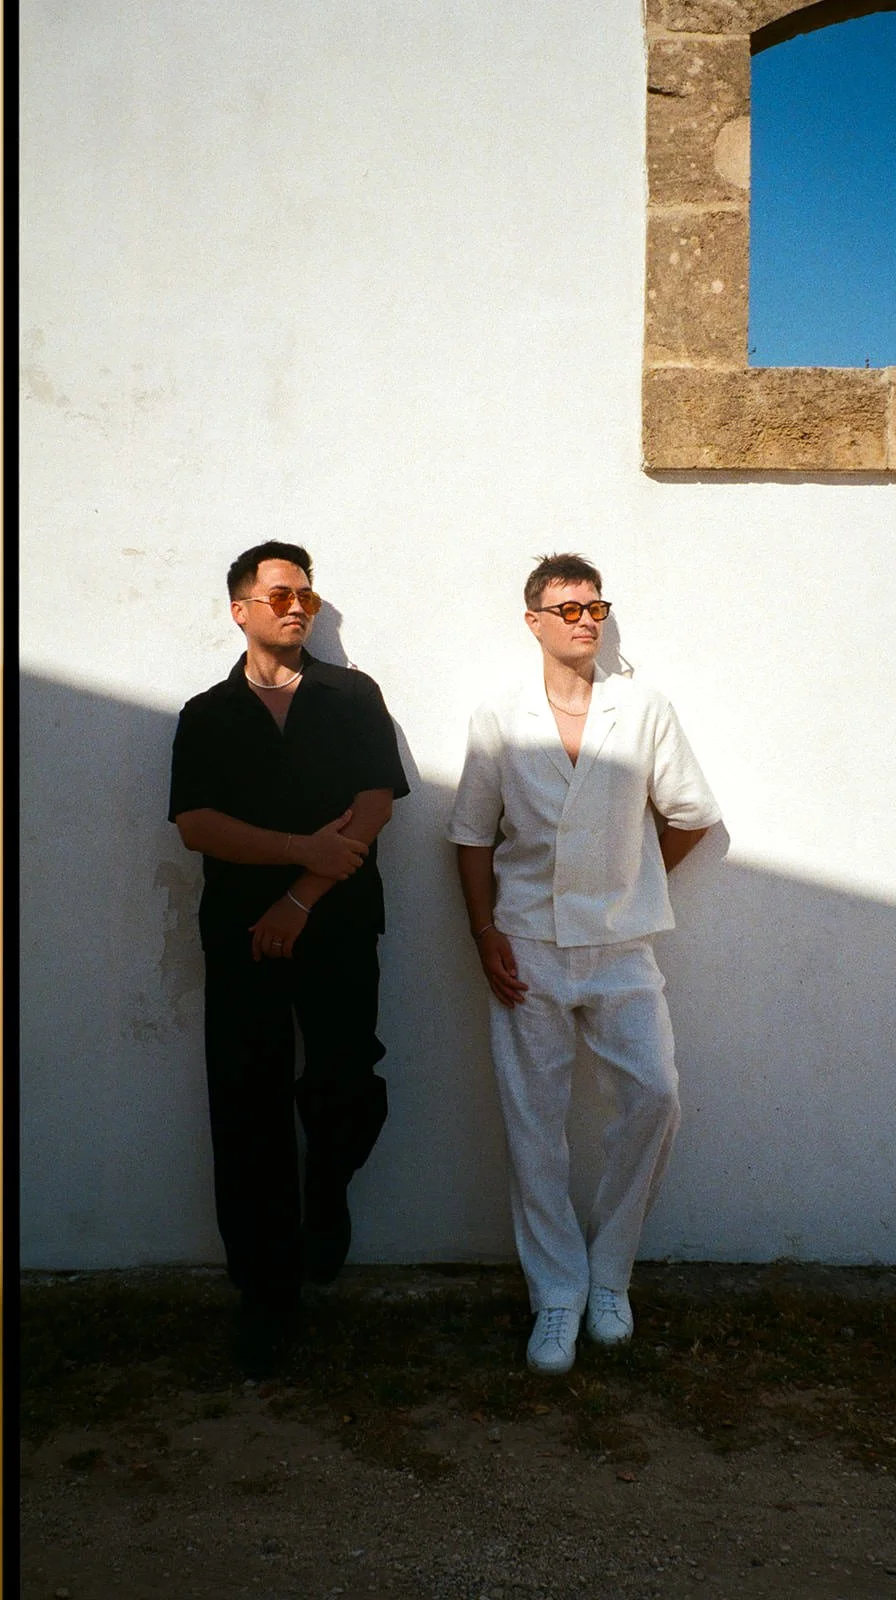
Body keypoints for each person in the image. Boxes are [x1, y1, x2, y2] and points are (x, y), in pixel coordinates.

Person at [448, 553, 723, 1375]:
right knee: (534, 1123)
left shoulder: (641, 710)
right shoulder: (500, 716)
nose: (583, 621)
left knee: (656, 1094)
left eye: (594, 607)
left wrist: (633, 882)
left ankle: (610, 1276)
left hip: (619, 944)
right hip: (526, 942)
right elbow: (469, 833)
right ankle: (556, 1295)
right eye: (566, 609)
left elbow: (690, 814)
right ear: (533, 621)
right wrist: (483, 930)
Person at [169, 541, 408, 1377]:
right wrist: (300, 849)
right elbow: (198, 824)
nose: (296, 607)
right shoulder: (206, 714)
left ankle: (328, 1188)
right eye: (278, 595)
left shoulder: (351, 694)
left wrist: (301, 894)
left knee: (347, 1078)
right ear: (240, 610)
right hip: (241, 934)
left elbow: (375, 802)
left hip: (335, 922)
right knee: (247, 1107)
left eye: (305, 594)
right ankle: (265, 1297)